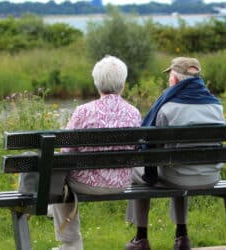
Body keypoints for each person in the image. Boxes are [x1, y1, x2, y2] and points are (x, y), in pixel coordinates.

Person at [125, 57, 226, 250]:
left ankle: (141, 237)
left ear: (176, 80)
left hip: (180, 176)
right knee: (181, 163)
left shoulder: (168, 107)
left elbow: (151, 148)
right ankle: (182, 236)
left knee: (139, 170)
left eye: (170, 76)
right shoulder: (216, 106)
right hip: (211, 175)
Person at [50, 55, 142, 250]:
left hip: (85, 184)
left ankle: (71, 244)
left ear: (97, 83)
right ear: (123, 84)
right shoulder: (134, 112)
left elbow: (66, 150)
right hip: (121, 183)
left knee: (58, 175)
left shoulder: (83, 111)